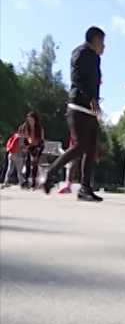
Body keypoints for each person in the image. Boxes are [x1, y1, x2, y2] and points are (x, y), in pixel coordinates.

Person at [42, 26, 105, 201]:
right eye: (102, 42)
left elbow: (94, 82)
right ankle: (51, 172)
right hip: (78, 106)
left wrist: (95, 102)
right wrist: (90, 98)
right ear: (95, 40)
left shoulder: (94, 58)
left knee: (90, 148)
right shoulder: (82, 54)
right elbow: (78, 78)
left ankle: (85, 188)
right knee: (80, 145)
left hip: (89, 108)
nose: (104, 47)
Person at [18, 112, 45, 189]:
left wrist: (38, 149)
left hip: (38, 145)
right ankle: (26, 180)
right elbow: (23, 138)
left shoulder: (39, 128)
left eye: (32, 120)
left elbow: (41, 140)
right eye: (29, 120)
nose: (30, 122)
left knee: (35, 163)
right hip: (29, 145)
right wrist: (26, 147)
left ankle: (34, 181)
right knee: (27, 161)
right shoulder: (25, 127)